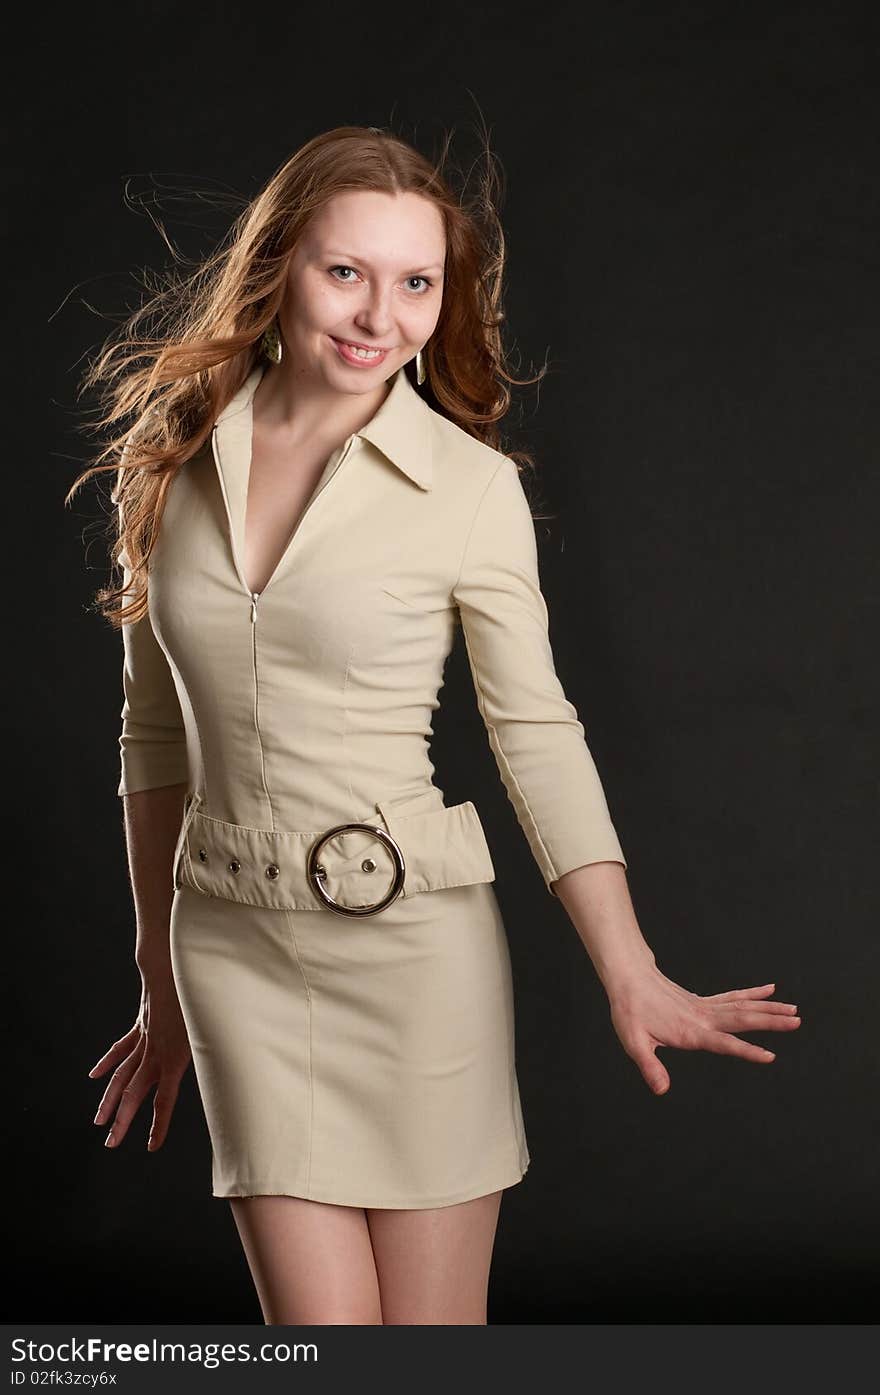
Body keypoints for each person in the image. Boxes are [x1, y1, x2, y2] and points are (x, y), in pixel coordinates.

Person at [71, 125, 801, 1325]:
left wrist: (628, 969)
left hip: (415, 961)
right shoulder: (169, 464)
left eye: (417, 283)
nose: (380, 316)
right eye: (345, 272)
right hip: (233, 959)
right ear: (279, 267)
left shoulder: (469, 491)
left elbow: (536, 732)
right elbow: (153, 737)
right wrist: (157, 973)